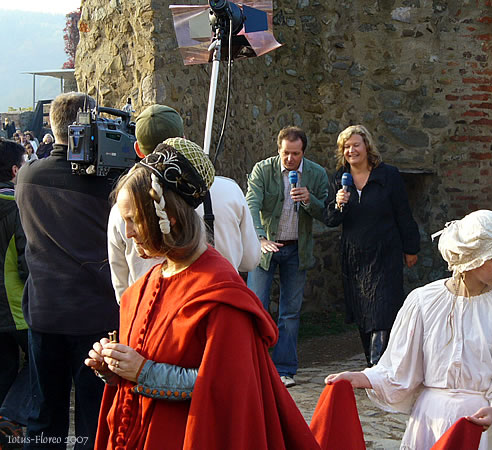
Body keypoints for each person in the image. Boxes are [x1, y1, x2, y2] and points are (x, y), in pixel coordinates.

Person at [86, 145, 321, 450]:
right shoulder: (141, 289)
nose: (128, 233)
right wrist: (114, 368)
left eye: (134, 220)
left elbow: (227, 386)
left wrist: (144, 372)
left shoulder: (221, 295)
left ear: (168, 217)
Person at [325, 210, 492, 449]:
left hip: (481, 428)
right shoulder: (424, 301)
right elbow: (399, 368)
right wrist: (360, 378)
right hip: (429, 422)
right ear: (472, 255)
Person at [15, 92, 119, 449]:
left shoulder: (28, 174)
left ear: (54, 125)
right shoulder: (108, 182)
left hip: (44, 311)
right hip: (94, 315)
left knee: (44, 418)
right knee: (94, 420)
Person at [107, 104, 260, 302]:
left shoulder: (122, 206)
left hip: (148, 309)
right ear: (184, 140)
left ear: (137, 148)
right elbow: (250, 260)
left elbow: (122, 290)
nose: (131, 231)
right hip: (222, 300)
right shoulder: (230, 191)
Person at [323, 125, 420, 366]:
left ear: (367, 147)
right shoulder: (339, 179)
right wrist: (338, 204)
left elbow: (403, 213)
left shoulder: (388, 175)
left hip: (385, 252)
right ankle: (374, 362)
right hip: (355, 256)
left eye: (356, 145)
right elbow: (330, 220)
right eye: (346, 147)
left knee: (382, 309)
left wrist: (411, 248)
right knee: (363, 312)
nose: (351, 150)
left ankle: (377, 366)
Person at [246, 126, 329, 388]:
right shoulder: (263, 170)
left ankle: (284, 370)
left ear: (303, 152)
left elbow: (326, 212)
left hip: (297, 249)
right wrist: (260, 238)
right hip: (265, 247)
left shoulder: (316, 174)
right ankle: (254, 367)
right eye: (285, 153)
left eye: (295, 154)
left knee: (290, 313)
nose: (290, 159)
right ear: (278, 150)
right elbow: (251, 204)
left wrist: (309, 200)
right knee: (256, 308)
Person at [0, 139, 30, 446]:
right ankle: (10, 416)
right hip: (16, 307)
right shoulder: (17, 206)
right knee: (37, 363)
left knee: (4, 368)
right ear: (13, 170)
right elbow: (26, 264)